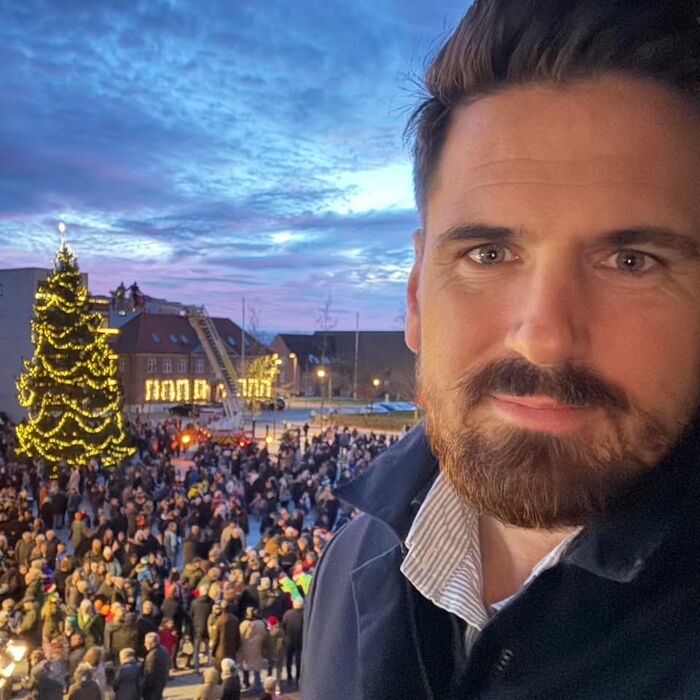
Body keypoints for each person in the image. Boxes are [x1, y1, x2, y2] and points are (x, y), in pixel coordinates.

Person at [302, 1, 700, 698]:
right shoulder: (349, 568)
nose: (544, 338)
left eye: (631, 261)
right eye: (488, 253)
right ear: (416, 296)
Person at [141, 632, 170, 700]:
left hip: (153, 686)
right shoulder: (163, 649)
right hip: (162, 681)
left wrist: (143, 688)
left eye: (146, 643)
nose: (144, 644)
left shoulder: (152, 656)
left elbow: (149, 674)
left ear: (152, 643)